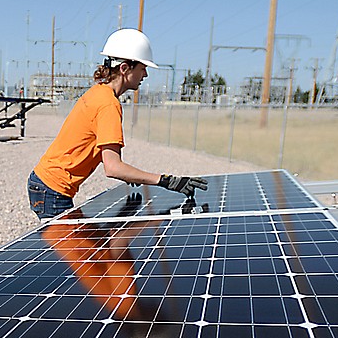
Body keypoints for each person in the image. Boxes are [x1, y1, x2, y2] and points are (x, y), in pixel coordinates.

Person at [28, 28, 206, 220]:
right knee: (84, 250)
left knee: (95, 247)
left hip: (45, 184)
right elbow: (113, 167)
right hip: (52, 190)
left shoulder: (99, 92)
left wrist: (130, 175)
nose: (145, 74)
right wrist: (165, 181)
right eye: (142, 68)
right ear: (124, 68)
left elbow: (106, 157)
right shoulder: (108, 105)